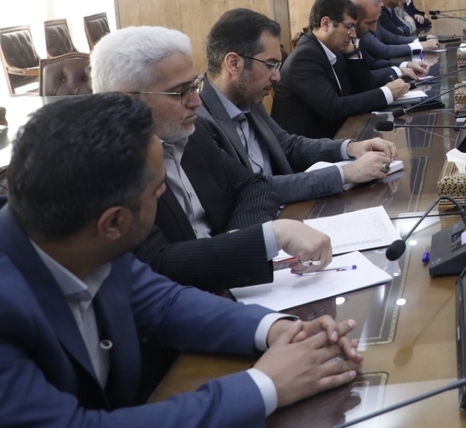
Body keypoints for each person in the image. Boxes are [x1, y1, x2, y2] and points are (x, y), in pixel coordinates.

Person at [0, 93, 363, 426]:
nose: (165, 195)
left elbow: (162, 302)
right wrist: (265, 385)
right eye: (158, 190)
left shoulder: (80, 236)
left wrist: (278, 329)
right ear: (113, 223)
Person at [91, 27, 333, 292]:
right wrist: (266, 238)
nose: (196, 101)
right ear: (125, 101)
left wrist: (238, 243)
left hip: (236, 285)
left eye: (194, 86)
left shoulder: (193, 131)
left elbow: (254, 186)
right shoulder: (109, 172)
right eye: (180, 92)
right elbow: (157, 266)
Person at [198, 8, 399, 204]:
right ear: (234, 64)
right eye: (270, 65)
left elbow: (288, 146)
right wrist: (346, 173)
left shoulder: (248, 96)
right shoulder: (199, 123)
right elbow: (250, 189)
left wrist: (350, 148)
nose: (277, 77)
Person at [271, 0, 412, 140]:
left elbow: (363, 89)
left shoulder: (333, 48)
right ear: (326, 24)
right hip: (309, 146)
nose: (353, 35)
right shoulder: (304, 58)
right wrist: (387, 93)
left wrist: (353, 56)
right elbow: (334, 107)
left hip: (338, 133)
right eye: (349, 27)